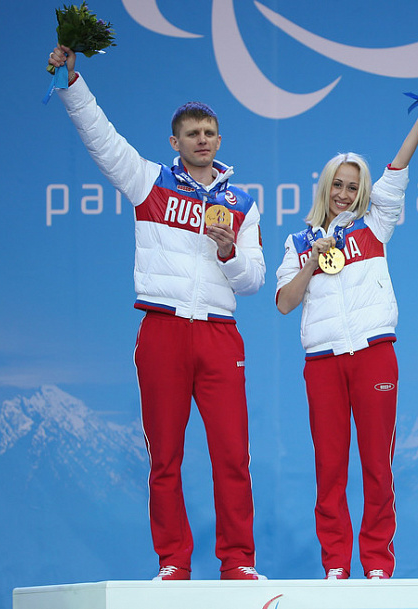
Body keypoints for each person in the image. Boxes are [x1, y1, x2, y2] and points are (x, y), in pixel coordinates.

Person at [47, 45, 267, 581]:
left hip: (219, 333)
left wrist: (228, 250)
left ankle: (237, 563)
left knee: (233, 458)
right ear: (175, 142)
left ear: (220, 139)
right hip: (162, 330)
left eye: (209, 132)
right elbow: (102, 140)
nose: (202, 140)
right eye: (192, 133)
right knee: (164, 458)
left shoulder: (242, 203)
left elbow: (255, 281)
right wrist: (74, 84)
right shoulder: (148, 181)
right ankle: (173, 562)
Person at [275, 97, 418, 579]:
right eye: (338, 184)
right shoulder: (298, 241)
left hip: (374, 356)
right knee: (329, 469)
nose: (344, 193)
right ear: (325, 186)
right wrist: (314, 258)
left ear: (363, 192)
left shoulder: (376, 225)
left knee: (378, 465)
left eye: (353, 187)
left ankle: (377, 563)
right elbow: (284, 302)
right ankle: (336, 565)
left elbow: (399, 168)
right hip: (322, 364)